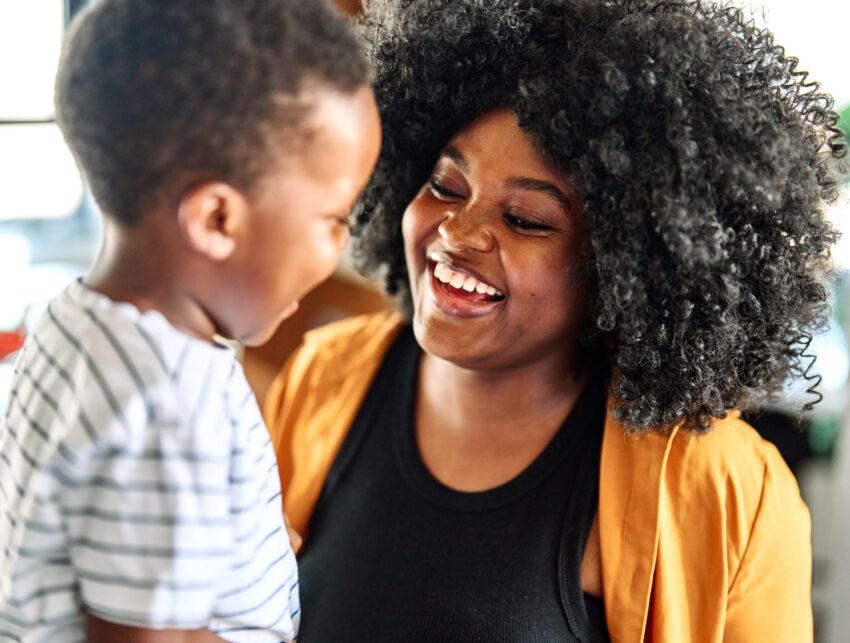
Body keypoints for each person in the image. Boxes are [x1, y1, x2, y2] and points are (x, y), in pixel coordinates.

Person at [264, 0, 846, 641]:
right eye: (445, 187)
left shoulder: (730, 494)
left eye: (525, 221)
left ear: (624, 266)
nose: (457, 231)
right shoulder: (322, 377)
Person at [0, 0, 381, 641]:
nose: (342, 246)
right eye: (332, 220)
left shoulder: (72, 322)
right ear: (215, 221)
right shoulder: (170, 405)